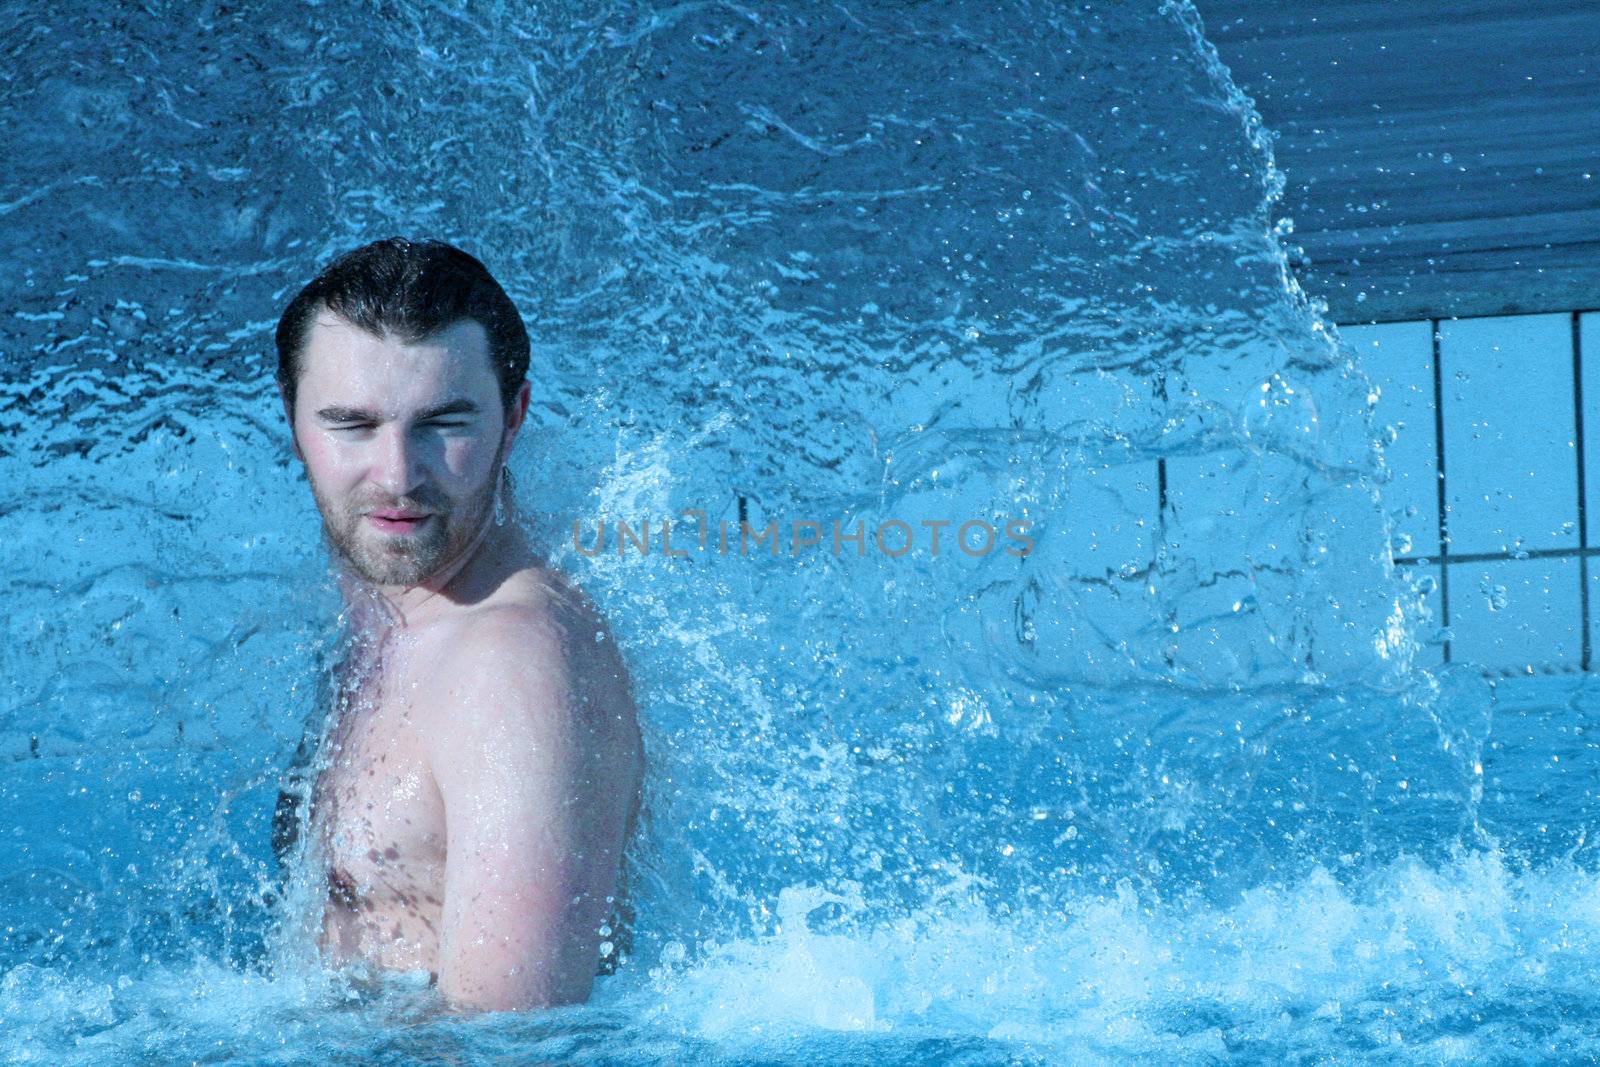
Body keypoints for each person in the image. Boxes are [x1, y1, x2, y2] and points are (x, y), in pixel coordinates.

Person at [267, 236, 644, 1014]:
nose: (399, 474)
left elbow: (508, 1042)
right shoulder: (385, 609)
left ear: (514, 418)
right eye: (352, 425)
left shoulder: (510, 663)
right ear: (292, 418)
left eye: (445, 423)